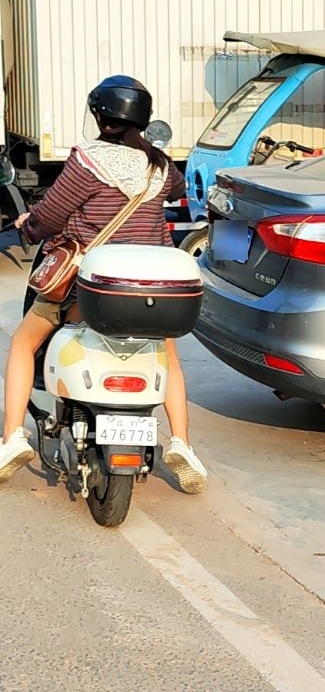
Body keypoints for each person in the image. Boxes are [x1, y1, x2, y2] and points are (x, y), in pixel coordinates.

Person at [0, 75, 208, 493]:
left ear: (100, 115)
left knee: (23, 343)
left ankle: (11, 440)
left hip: (93, 291)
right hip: (151, 293)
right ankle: (183, 442)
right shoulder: (160, 167)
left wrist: (28, 225)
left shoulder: (87, 161)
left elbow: (51, 216)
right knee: (169, 360)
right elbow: (179, 189)